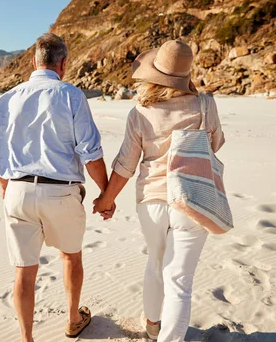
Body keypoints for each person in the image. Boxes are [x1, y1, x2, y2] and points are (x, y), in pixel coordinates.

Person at [93, 40, 225, 341]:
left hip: (152, 200)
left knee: (154, 262)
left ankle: (153, 327)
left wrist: (106, 199)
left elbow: (126, 163)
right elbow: (215, 145)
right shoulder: (206, 104)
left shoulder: (140, 111)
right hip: (193, 197)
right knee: (179, 280)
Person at [0, 33, 111, 341]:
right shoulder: (71, 95)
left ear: (34, 61)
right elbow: (90, 152)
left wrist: (6, 188)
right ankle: (72, 319)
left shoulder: (7, 99)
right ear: (64, 63)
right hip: (60, 191)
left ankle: (27, 338)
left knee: (24, 271)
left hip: (17, 190)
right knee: (70, 256)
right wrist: (106, 194)